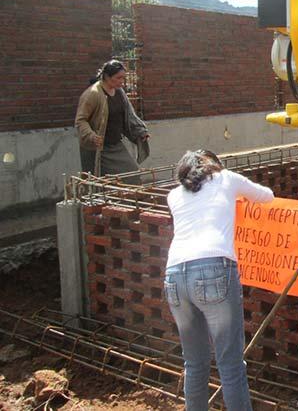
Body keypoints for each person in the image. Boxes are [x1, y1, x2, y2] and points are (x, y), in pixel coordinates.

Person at [164, 150, 274, 411]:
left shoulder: (173, 195)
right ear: (212, 166)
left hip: (174, 277)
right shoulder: (226, 178)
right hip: (213, 268)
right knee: (230, 363)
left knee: (194, 363)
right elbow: (267, 196)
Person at [75, 59, 149, 176]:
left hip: (115, 144)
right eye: (119, 78)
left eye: (123, 78)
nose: (122, 81)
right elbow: (81, 120)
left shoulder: (119, 92)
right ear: (107, 77)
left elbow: (128, 116)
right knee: (97, 182)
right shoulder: (93, 94)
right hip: (97, 148)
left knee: (131, 174)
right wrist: (91, 136)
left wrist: (139, 131)